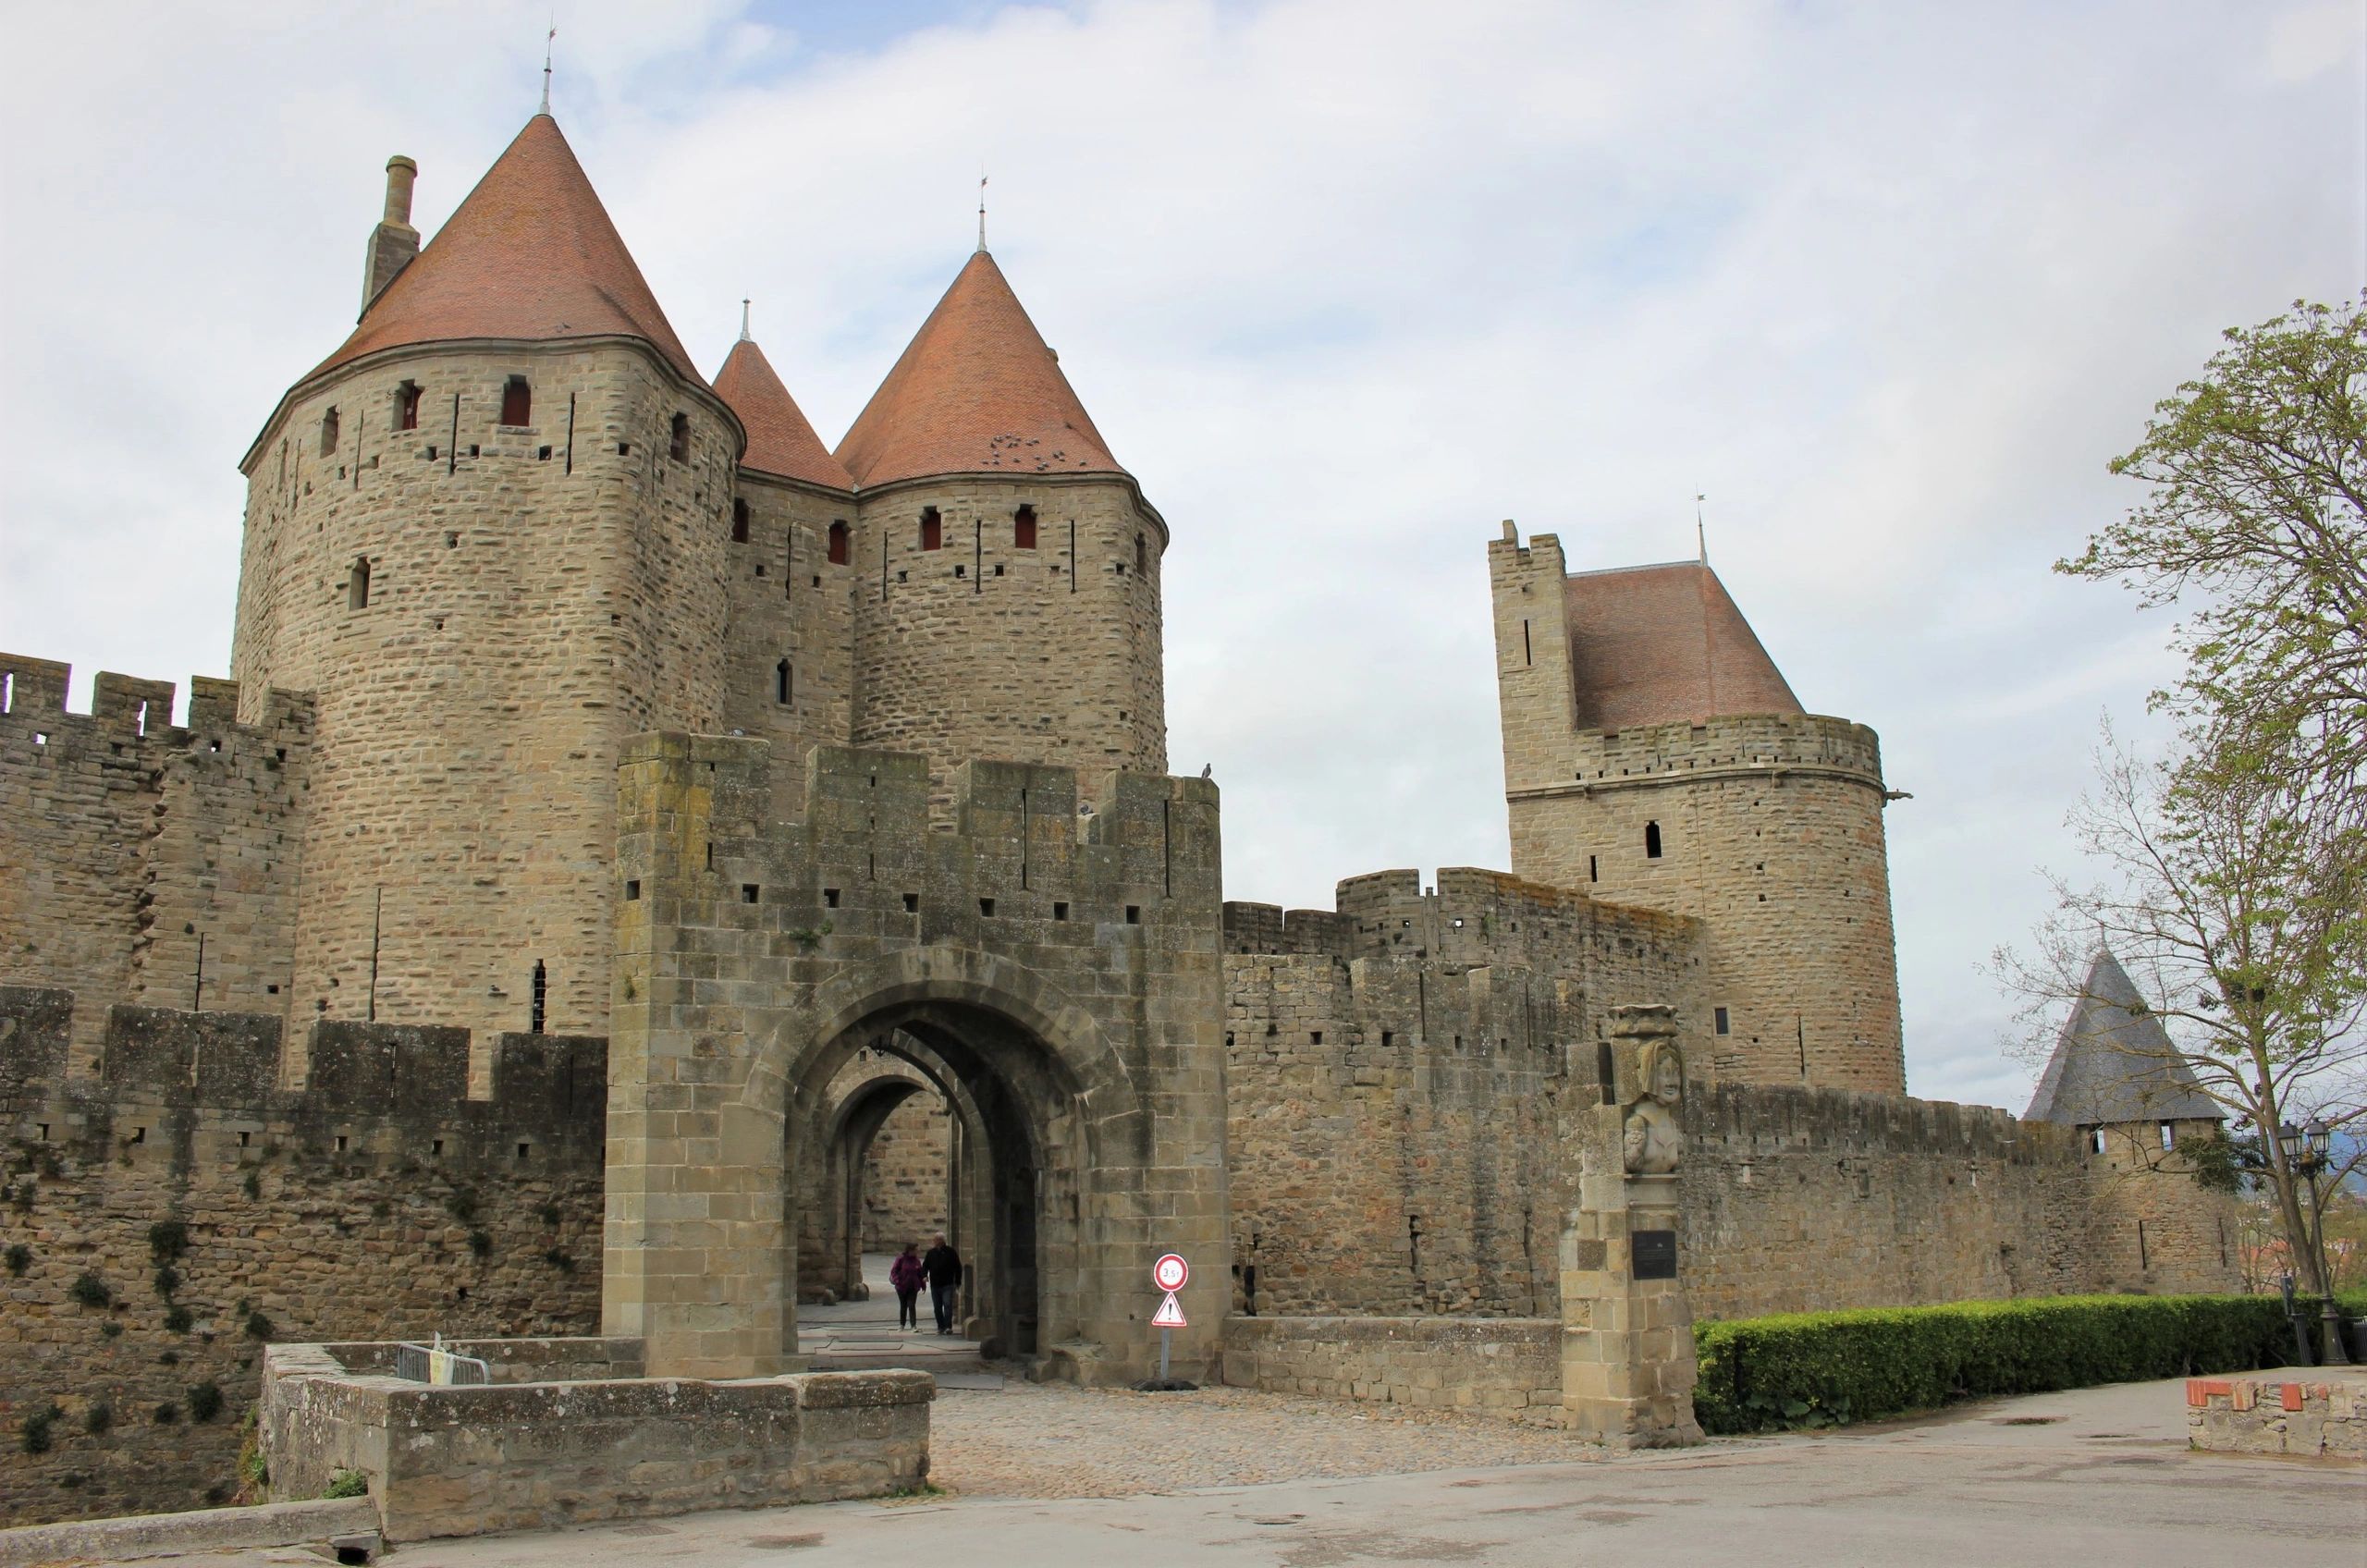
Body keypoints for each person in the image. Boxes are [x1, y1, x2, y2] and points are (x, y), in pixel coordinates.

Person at [921, 1233, 963, 1335]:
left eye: (938, 1239)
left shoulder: (950, 1252)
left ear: (942, 1240)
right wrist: (924, 1275)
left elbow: (958, 1267)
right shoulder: (931, 1253)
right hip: (935, 1284)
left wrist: (957, 1281)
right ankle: (941, 1326)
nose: (935, 1241)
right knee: (937, 1307)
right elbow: (925, 1266)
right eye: (935, 1239)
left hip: (947, 1284)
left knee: (947, 1304)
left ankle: (948, 1326)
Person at [889, 1241, 925, 1331]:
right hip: (902, 1286)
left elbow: (920, 1273)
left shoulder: (916, 1260)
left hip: (913, 1286)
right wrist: (897, 1280)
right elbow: (894, 1271)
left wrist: (923, 1284)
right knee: (903, 1305)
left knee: (911, 1305)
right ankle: (902, 1324)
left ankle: (913, 1325)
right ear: (911, 1250)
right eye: (916, 1249)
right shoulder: (901, 1259)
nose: (918, 1251)